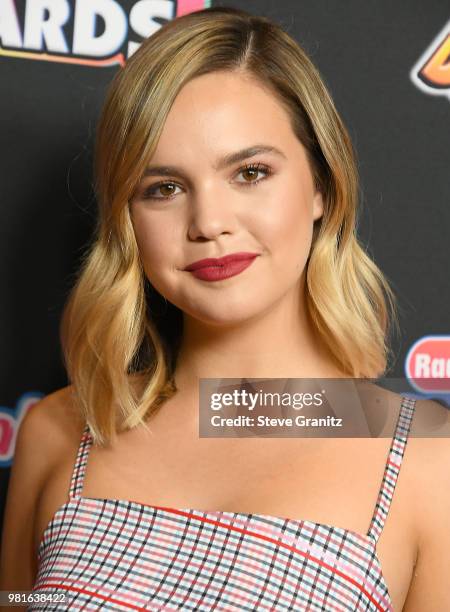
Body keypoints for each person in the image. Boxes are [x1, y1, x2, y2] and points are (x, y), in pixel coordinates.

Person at [1, 6, 449, 611]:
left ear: (322, 185)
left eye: (251, 172)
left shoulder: (430, 462)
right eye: (164, 188)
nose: (209, 223)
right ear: (127, 220)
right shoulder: (58, 432)